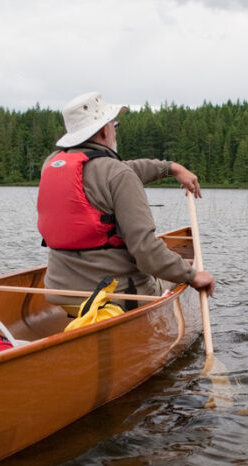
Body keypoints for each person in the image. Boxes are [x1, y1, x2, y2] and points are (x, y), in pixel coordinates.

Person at [37, 91, 215, 313]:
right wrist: (192, 275)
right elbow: (147, 252)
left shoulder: (51, 165)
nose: (115, 130)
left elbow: (118, 171)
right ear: (104, 130)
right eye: (114, 125)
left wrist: (170, 168)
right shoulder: (116, 174)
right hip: (117, 296)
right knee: (178, 275)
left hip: (60, 292)